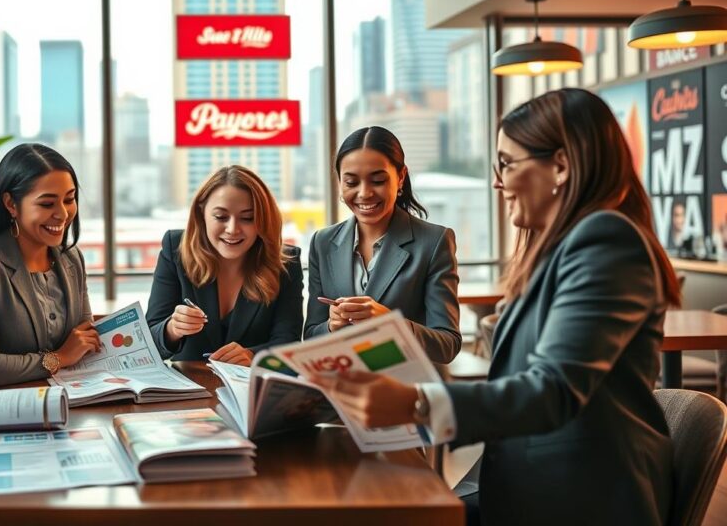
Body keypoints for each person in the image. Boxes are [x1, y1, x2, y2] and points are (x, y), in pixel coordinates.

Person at [313, 88, 681, 526]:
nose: (496, 181)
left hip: (579, 495)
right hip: (527, 475)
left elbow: (552, 389)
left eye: (506, 164)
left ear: (561, 166)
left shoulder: (604, 240)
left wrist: (416, 403)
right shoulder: (563, 246)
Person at [305, 126, 461, 364]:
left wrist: (393, 325)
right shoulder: (322, 243)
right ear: (339, 182)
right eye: (351, 182)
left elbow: (447, 345)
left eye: (377, 180)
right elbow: (310, 337)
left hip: (407, 391)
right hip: (343, 390)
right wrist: (330, 326)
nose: (364, 193)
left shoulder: (434, 242)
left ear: (400, 178)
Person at [0, 143, 97, 388]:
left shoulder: (72, 258)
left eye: (69, 199)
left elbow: (86, 341)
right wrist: (59, 358)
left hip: (73, 400)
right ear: (11, 204)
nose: (63, 214)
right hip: (10, 408)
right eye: (47, 204)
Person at [146, 165, 303, 365]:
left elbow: (289, 343)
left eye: (248, 218)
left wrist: (253, 356)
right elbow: (149, 341)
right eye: (221, 217)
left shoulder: (286, 263)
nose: (232, 229)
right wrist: (172, 329)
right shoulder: (175, 249)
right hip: (190, 388)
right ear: (201, 213)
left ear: (262, 220)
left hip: (252, 390)